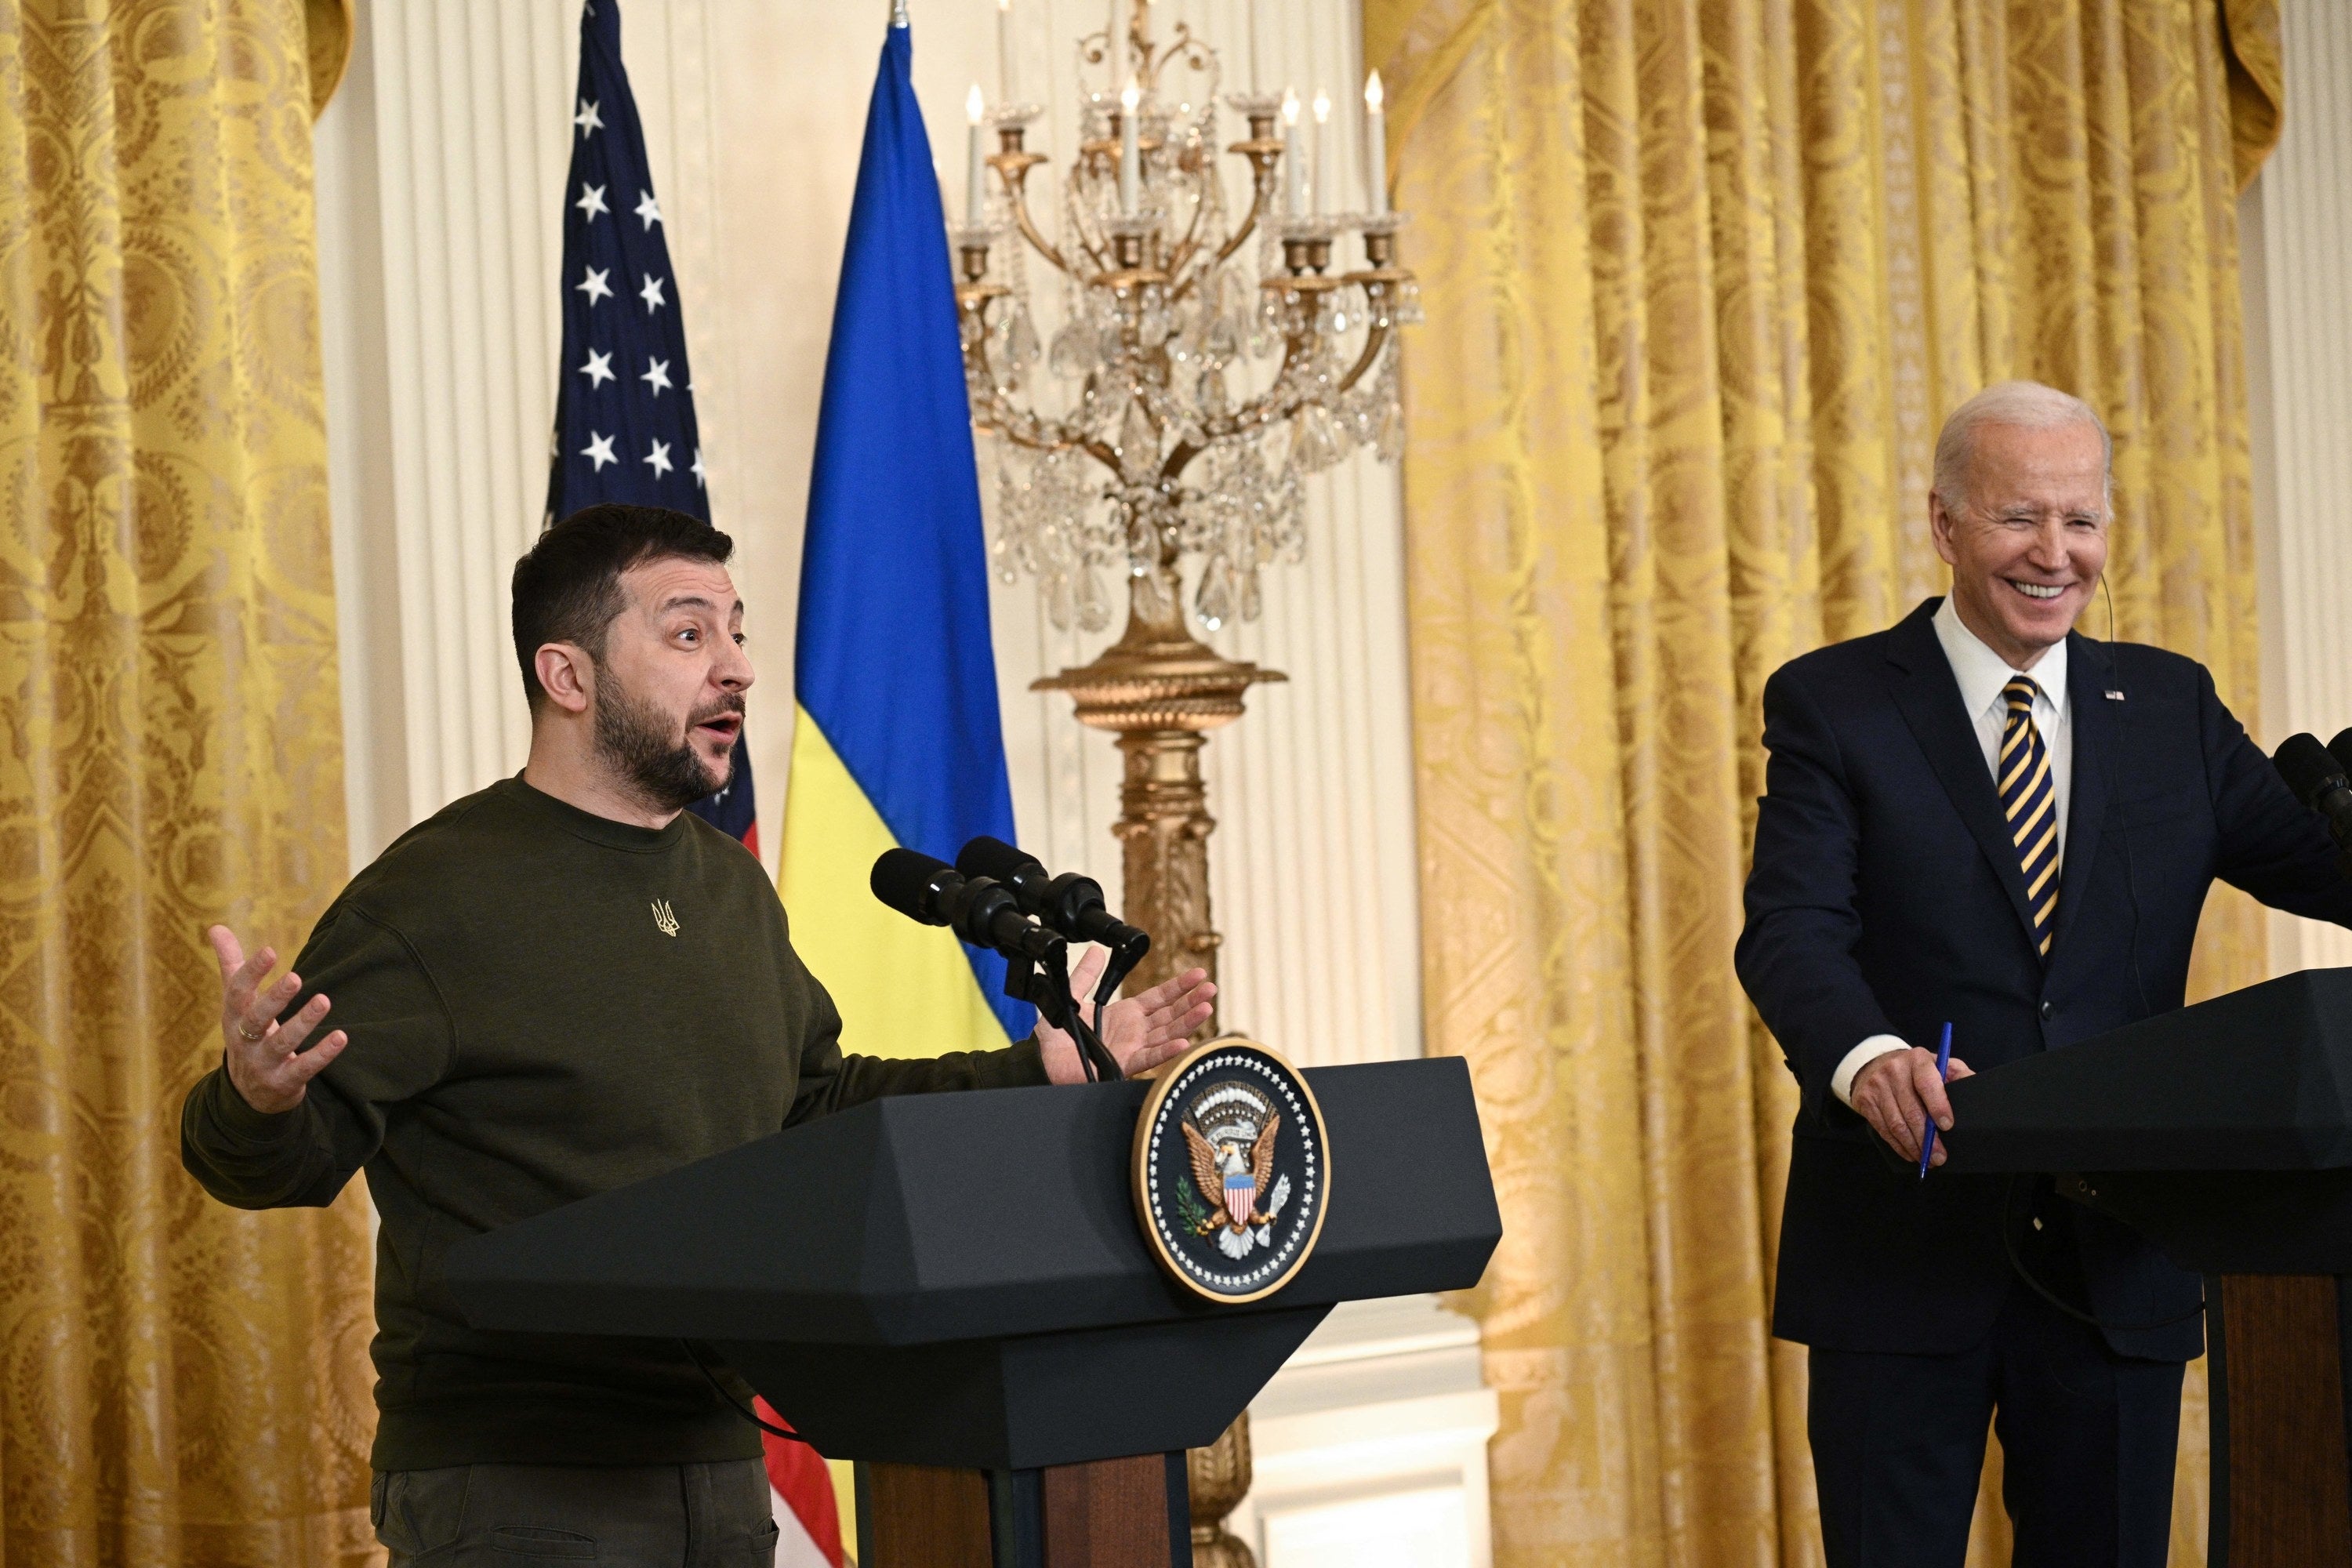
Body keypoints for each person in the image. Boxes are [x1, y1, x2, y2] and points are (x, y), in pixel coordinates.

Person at [180, 503, 1214, 1566]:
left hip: (719, 1461)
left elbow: (812, 1111)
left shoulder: (727, 886)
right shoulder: (435, 895)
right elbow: (270, 1167)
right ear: (568, 676)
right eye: (688, 634)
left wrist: (1033, 1068)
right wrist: (256, 1096)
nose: (737, 669)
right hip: (520, 1481)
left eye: (737, 632)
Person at [1735, 381, 2352, 1566]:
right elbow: (1791, 930)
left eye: (2082, 520)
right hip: (1901, 1250)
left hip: (2114, 1260)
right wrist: (1868, 1059)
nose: (2055, 554)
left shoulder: (2169, 704)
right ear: (1945, 522)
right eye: (2020, 517)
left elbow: (2322, 867)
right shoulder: (1835, 701)